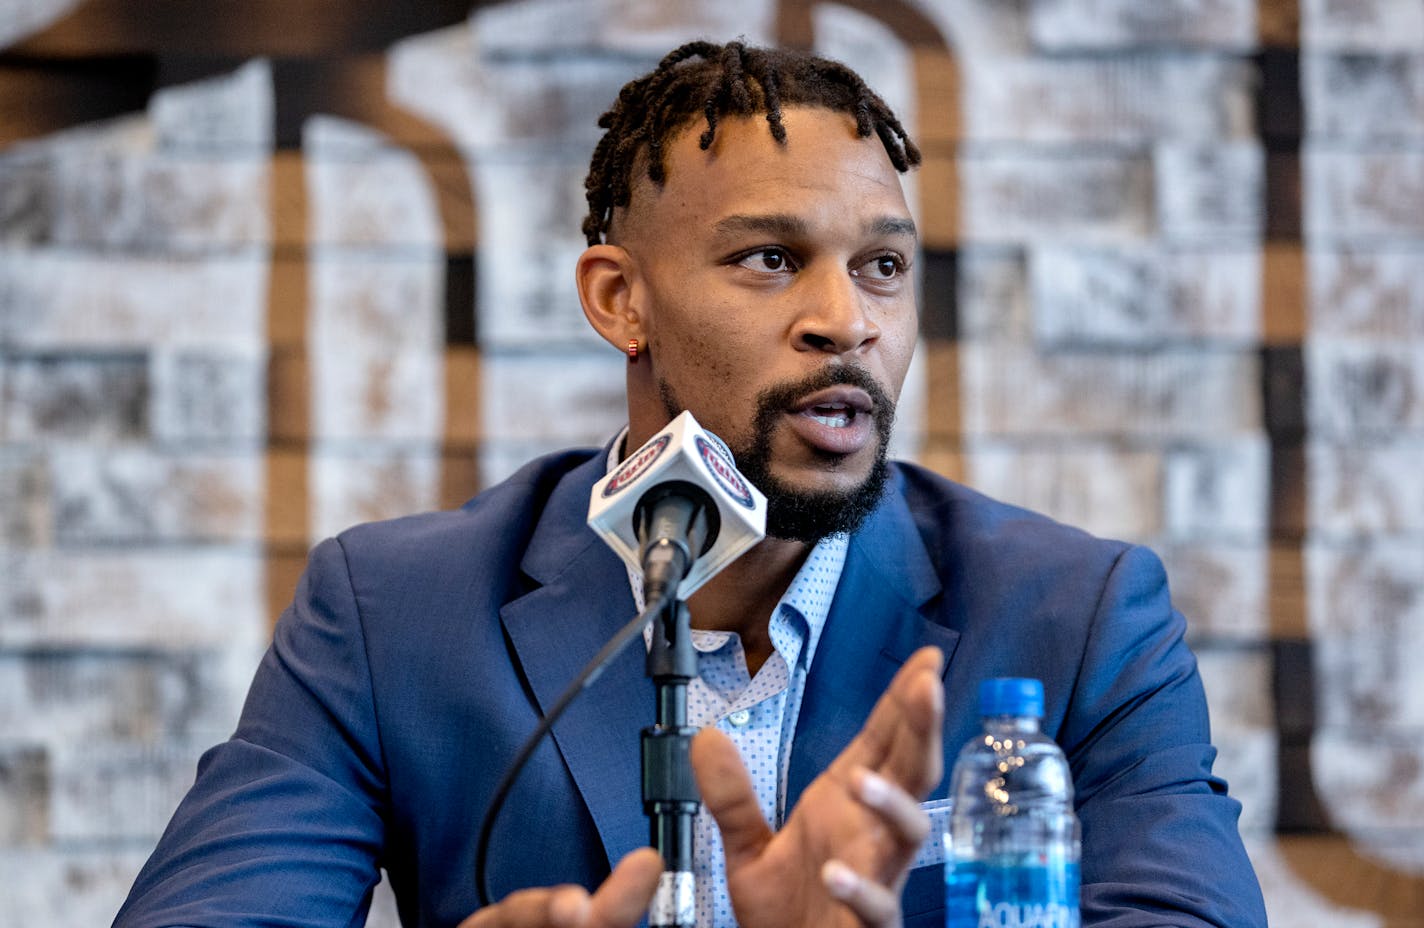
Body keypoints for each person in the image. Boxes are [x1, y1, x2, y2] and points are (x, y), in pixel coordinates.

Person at [114, 41, 1267, 928]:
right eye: (769, 260)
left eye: (881, 266)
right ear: (621, 300)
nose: (845, 320)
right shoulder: (390, 612)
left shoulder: (1079, 617)